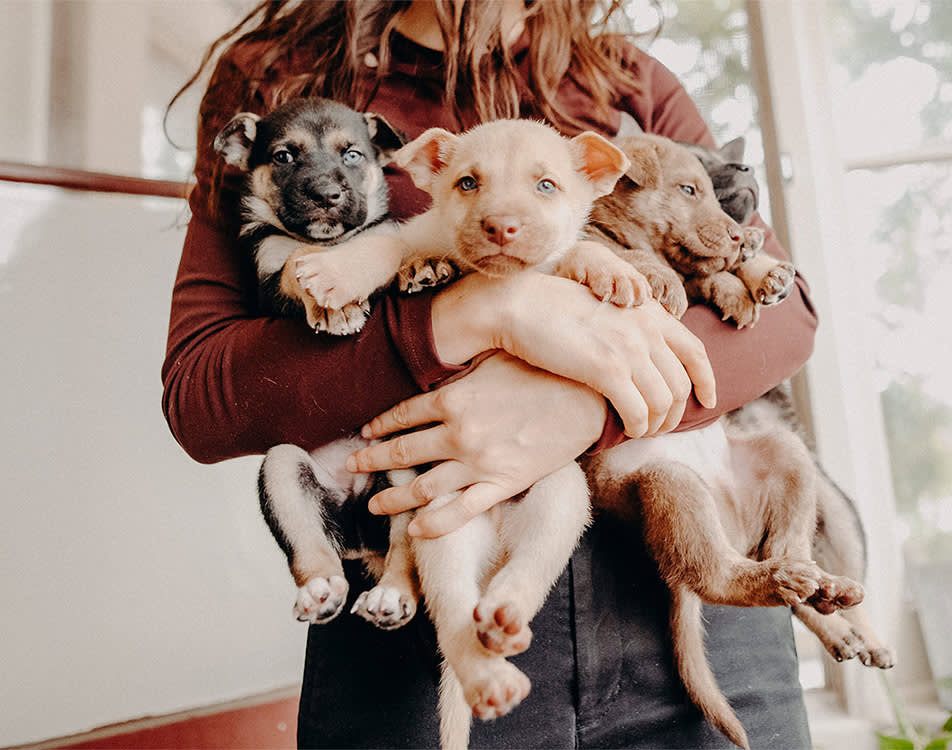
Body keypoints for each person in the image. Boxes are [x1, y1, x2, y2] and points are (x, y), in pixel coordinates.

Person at [162, 1, 818, 747]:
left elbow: (786, 314)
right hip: (418, 625)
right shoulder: (281, 79)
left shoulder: (627, 81)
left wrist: (581, 408)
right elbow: (202, 398)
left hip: (693, 599)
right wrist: (476, 315)